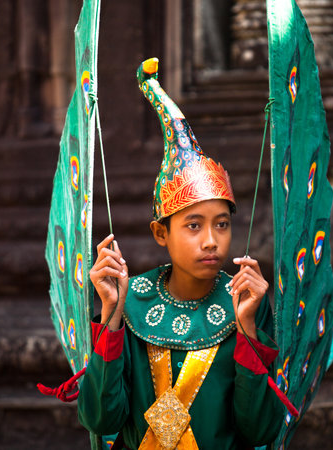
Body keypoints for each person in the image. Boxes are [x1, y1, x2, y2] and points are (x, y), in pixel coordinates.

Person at [77, 58, 285, 449]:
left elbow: (261, 430)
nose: (211, 241)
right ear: (161, 233)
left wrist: (247, 330)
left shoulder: (247, 301)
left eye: (221, 224)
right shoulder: (129, 300)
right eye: (193, 225)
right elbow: (101, 418)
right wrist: (110, 318)